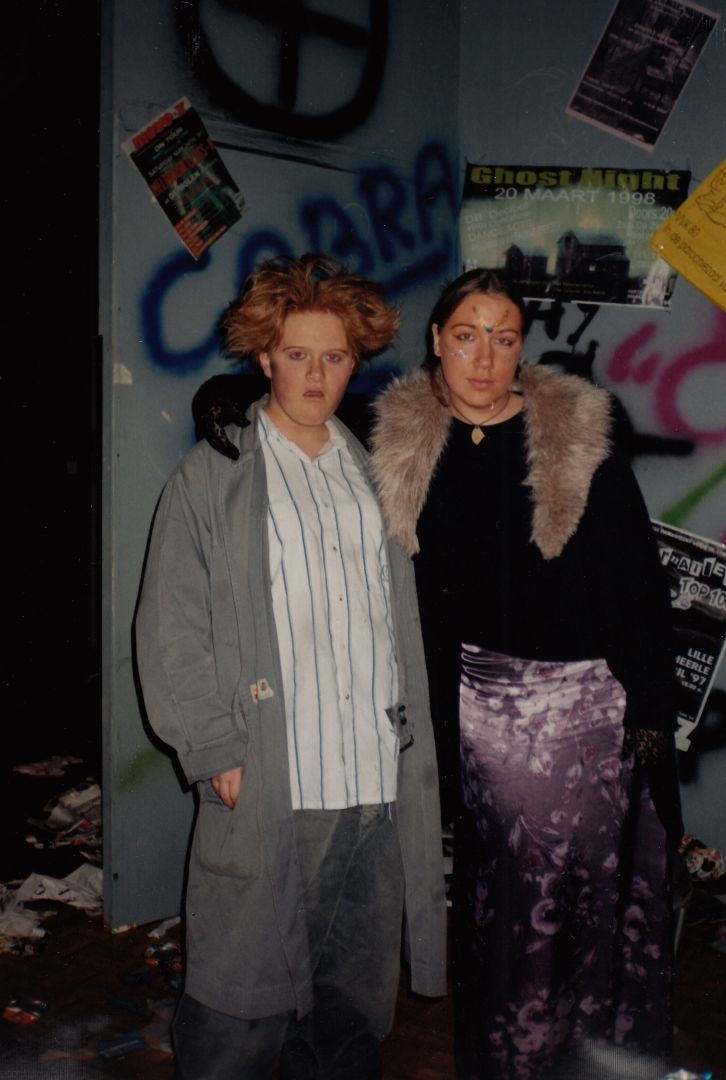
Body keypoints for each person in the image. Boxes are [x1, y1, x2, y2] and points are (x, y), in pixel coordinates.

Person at [135, 253, 446, 1080]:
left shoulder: (378, 471)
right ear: (265, 356)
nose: (315, 374)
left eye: (334, 356)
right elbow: (171, 624)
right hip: (277, 778)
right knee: (239, 1011)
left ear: (356, 361)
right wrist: (214, 747)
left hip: (373, 787)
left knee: (351, 1012)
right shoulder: (212, 477)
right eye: (297, 354)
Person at [367, 269, 682, 1080]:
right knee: (507, 907)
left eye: (503, 339)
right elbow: (301, 398)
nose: (483, 358)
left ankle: (596, 1058)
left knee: (597, 902)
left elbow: (638, 583)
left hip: (589, 715)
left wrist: (651, 705)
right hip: (485, 716)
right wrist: (223, 401)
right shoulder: (401, 438)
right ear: (436, 340)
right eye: (466, 336)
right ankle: (512, 1057)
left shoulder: (574, 437)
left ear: (520, 351)